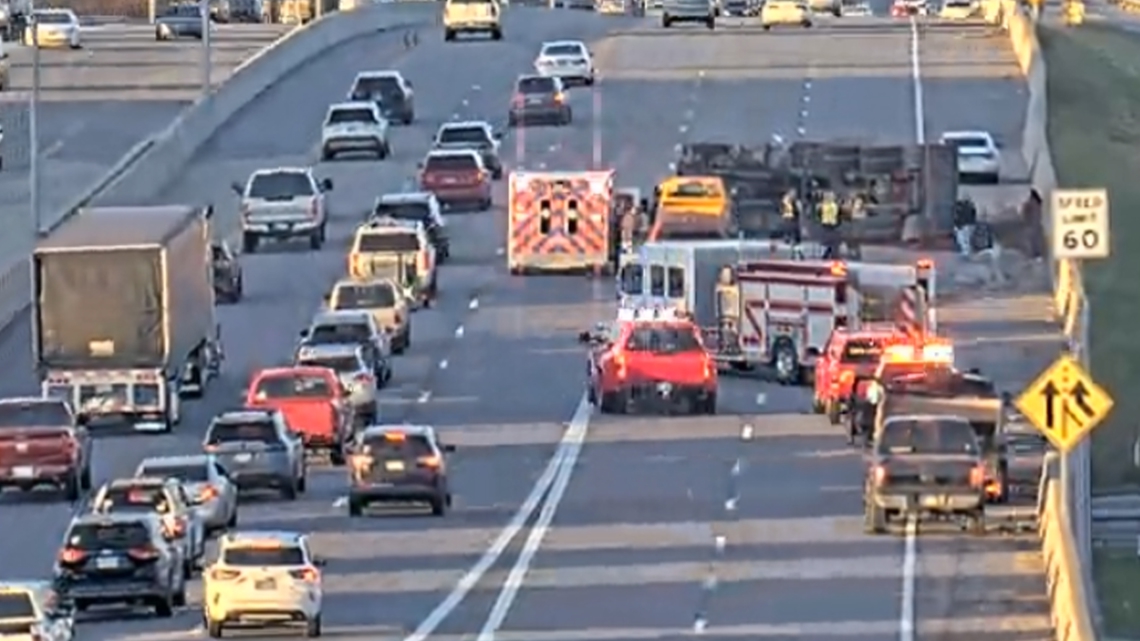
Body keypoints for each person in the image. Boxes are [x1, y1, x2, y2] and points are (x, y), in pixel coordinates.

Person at [818, 191, 841, 259]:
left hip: (828, 224)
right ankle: (831, 254)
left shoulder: (823, 205)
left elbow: (819, 214)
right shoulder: (832, 205)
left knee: (829, 241)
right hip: (830, 225)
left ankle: (828, 254)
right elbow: (838, 215)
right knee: (831, 241)